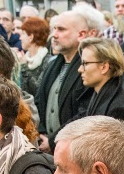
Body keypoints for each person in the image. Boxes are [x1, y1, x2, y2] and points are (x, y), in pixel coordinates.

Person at [34, 9, 92, 147]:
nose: (54, 35)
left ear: (81, 34)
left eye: (61, 29)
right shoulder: (53, 65)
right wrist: (41, 134)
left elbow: (85, 112)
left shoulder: (89, 67)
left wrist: (54, 140)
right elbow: (39, 101)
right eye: (54, 29)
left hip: (75, 147)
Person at [78, 37, 124, 134]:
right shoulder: (99, 95)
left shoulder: (117, 110)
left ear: (104, 67)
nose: (80, 69)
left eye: (85, 63)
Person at [16, 16, 50, 97]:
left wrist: (24, 67)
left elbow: (37, 90)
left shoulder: (48, 61)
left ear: (31, 37)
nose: (20, 38)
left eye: (23, 34)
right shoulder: (24, 58)